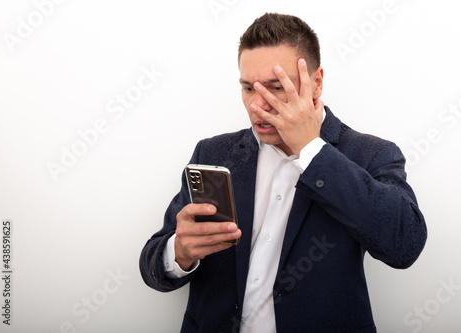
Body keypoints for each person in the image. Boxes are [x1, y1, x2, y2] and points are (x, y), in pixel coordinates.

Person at [139, 13, 427, 333]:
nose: (257, 106)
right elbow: (152, 262)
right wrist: (178, 253)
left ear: (315, 83)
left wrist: (311, 149)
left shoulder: (369, 154)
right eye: (248, 88)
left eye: (276, 88)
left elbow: (404, 244)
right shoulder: (213, 153)